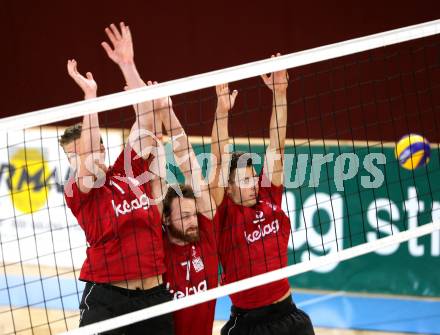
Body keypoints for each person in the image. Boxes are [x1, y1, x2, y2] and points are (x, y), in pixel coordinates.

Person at [61, 22, 174, 334]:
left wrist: (128, 65)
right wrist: (91, 97)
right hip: (108, 300)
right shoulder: (78, 191)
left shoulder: (129, 170)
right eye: (78, 154)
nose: (87, 154)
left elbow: (148, 119)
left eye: (94, 145)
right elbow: (88, 164)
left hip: (154, 297)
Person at [210, 54, 315, 335]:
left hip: (290, 315)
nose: (254, 183)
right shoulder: (223, 214)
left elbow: (276, 147)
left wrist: (280, 94)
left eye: (253, 177)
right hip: (249, 325)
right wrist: (222, 113)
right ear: (228, 188)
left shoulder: (268, 196)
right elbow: (218, 159)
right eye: (245, 180)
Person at [147, 94, 219, 335]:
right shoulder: (157, 247)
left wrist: (167, 110)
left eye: (193, 214)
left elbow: (191, 166)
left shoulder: (206, 235)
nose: (192, 221)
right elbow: (155, 183)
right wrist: (150, 119)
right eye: (184, 216)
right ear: (166, 220)